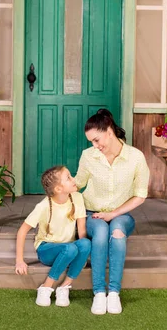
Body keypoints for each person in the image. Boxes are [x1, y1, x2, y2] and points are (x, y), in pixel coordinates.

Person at [75, 109, 150, 315]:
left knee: (117, 233)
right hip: (92, 212)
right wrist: (60, 185)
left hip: (122, 215)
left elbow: (140, 195)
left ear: (109, 131)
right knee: (100, 234)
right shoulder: (88, 156)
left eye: (97, 140)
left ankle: (114, 292)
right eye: (91, 141)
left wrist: (114, 214)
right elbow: (78, 183)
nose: (95, 146)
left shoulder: (135, 157)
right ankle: (99, 292)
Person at [15, 166, 91, 307]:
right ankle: (46, 287)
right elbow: (22, 231)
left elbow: (81, 231)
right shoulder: (43, 206)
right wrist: (20, 260)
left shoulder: (77, 198)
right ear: (58, 189)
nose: (73, 180)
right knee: (70, 249)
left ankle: (64, 287)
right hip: (46, 250)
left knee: (85, 244)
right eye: (68, 178)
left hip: (70, 249)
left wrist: (82, 256)